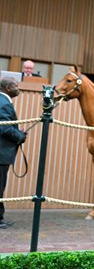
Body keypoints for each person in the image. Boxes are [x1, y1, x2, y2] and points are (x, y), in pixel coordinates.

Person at [0, 77, 27, 229]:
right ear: (9, 88)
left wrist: (18, 134)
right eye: (16, 86)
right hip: (1, 154)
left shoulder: (2, 101)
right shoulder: (4, 103)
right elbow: (4, 128)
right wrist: (19, 136)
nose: (18, 88)